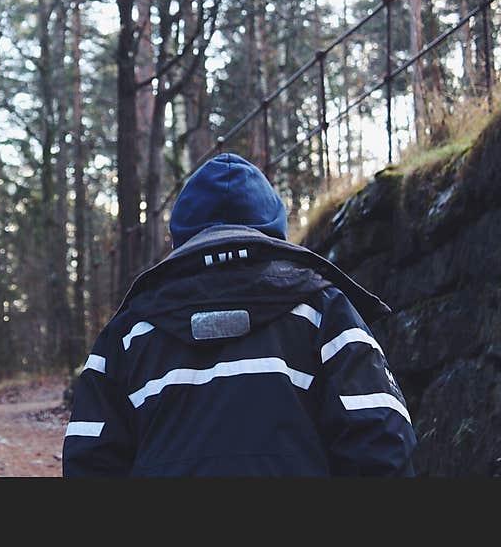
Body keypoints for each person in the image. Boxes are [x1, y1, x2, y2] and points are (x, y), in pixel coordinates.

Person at [62, 153, 416, 476]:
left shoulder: (129, 332)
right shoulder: (324, 312)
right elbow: (382, 442)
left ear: (180, 238)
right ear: (275, 234)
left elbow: (89, 459)